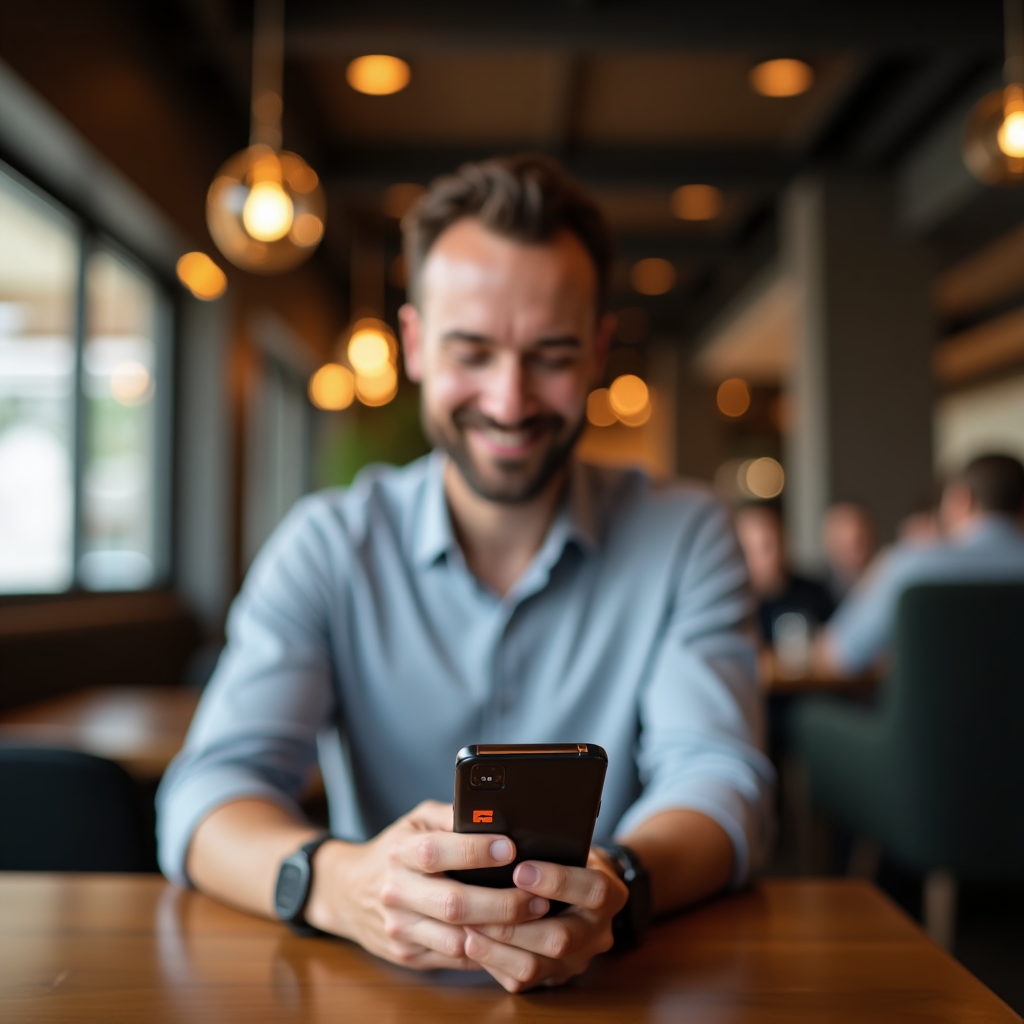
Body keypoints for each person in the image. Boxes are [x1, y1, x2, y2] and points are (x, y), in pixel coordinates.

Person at [156, 155, 773, 993]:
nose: (510, 400)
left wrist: (613, 885)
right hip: (369, 994)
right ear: (414, 345)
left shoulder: (688, 536)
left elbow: (720, 779)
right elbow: (207, 793)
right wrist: (342, 887)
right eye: (472, 351)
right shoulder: (328, 544)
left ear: (596, 352)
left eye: (549, 355)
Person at [818, 454, 1024, 676]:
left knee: (805, 710)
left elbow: (836, 657)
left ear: (962, 500)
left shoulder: (910, 565)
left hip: (934, 711)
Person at [734, 503, 834, 647]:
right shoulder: (731, 606)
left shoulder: (816, 595)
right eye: (750, 549)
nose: (766, 558)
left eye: (770, 545)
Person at [821, 501, 877, 603]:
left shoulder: (887, 582)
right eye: (844, 544)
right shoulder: (812, 594)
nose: (854, 550)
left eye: (860, 540)